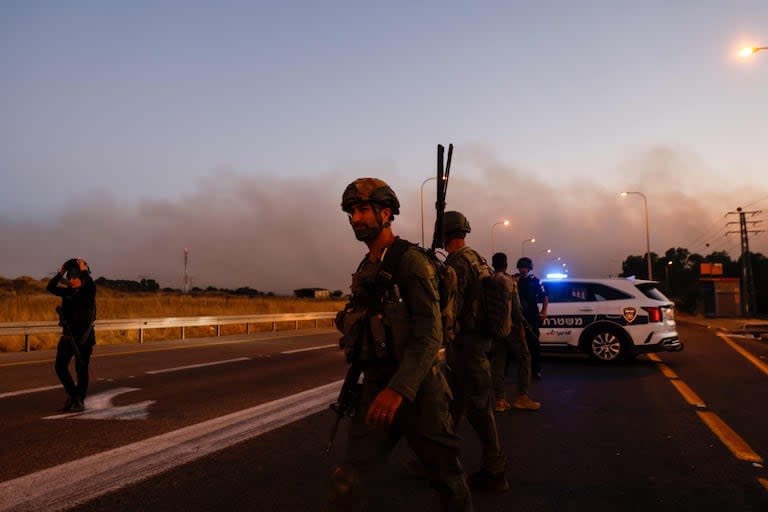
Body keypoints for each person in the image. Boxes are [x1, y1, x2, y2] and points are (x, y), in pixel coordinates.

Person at [327, 178, 473, 511]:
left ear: (387, 212)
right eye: (351, 212)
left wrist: (399, 390)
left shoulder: (411, 262)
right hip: (377, 384)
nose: (356, 219)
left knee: (448, 482)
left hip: (420, 389)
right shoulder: (368, 267)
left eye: (363, 210)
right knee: (347, 478)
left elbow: (429, 334)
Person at [443, 211, 509, 493]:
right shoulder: (478, 258)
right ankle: (440, 459)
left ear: (444, 233)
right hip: (479, 341)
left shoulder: (457, 262)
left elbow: (452, 310)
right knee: (454, 403)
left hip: (468, 345)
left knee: (479, 408)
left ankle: (495, 471)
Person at [489, 252, 541, 412]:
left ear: (493, 264)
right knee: (525, 359)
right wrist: (521, 328)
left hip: (494, 329)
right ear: (505, 265)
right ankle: (522, 397)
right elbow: (517, 310)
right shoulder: (510, 282)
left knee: (498, 363)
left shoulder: (486, 281)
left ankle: (499, 400)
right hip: (511, 328)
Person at [46, 258, 97, 412]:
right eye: (71, 276)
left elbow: (88, 283)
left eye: (76, 276)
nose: (72, 279)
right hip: (68, 336)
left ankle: (79, 400)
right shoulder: (68, 291)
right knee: (60, 367)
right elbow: (50, 287)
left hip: (84, 338)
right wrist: (60, 272)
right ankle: (73, 395)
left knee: (81, 370)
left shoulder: (89, 290)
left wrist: (83, 271)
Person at [515, 256, 548, 380]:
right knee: (518, 347)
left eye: (525, 267)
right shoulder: (514, 280)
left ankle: (536, 370)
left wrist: (544, 311)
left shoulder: (536, 281)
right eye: (521, 267)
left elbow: (545, 296)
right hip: (518, 317)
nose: (523, 270)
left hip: (532, 318)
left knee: (534, 346)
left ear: (529, 269)